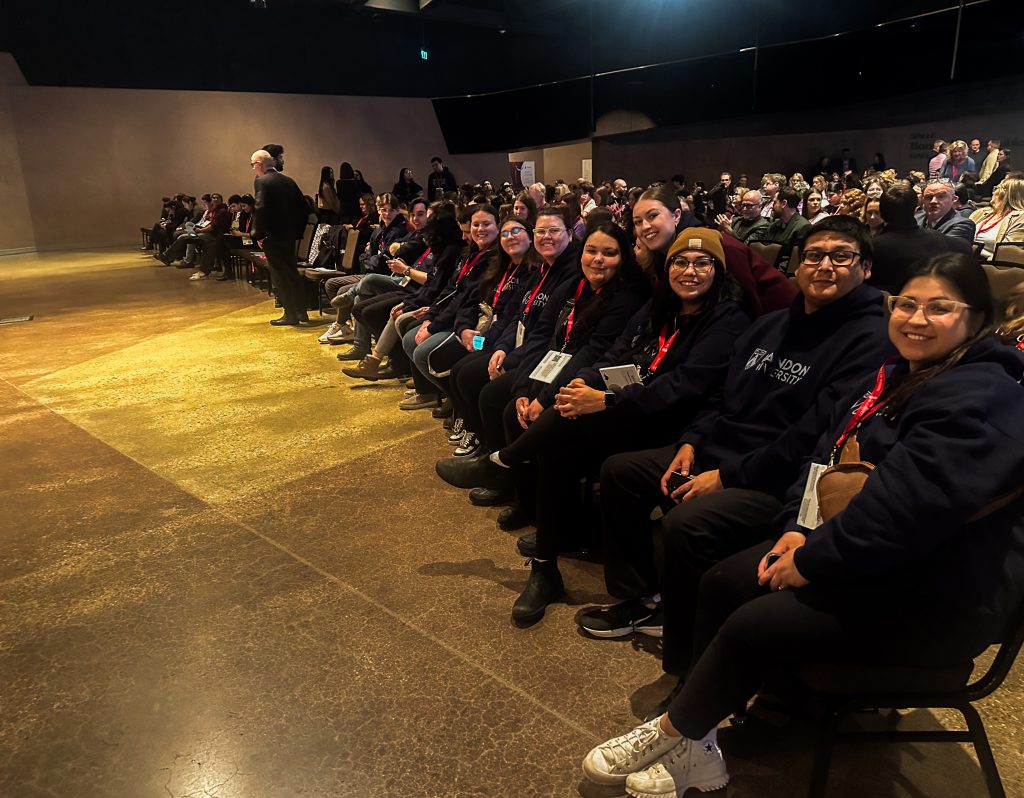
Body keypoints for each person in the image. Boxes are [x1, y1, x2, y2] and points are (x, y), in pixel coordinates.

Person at [582, 253, 1024, 797]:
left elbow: (908, 509)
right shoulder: (900, 374)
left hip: (940, 593)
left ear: (977, 320)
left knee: (754, 621)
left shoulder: (981, 393)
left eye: (939, 309)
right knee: (725, 579)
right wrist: (799, 525)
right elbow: (829, 454)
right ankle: (700, 737)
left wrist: (812, 559)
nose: (915, 319)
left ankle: (674, 732)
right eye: (906, 304)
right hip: (882, 556)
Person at [578, 215, 893, 644]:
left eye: (841, 257)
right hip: (720, 450)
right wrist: (691, 442)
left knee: (687, 522)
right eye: (814, 256)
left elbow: (812, 434)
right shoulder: (772, 324)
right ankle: (643, 599)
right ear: (797, 266)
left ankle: (684, 635)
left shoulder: (870, 339)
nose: (824, 267)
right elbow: (720, 396)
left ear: (866, 268)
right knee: (621, 472)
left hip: (774, 476)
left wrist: (727, 476)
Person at [486, 228, 751, 626]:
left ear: (718, 270)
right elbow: (615, 354)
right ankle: (544, 569)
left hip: (673, 425)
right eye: (680, 262)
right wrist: (585, 384)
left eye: (702, 263)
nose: (690, 271)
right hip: (628, 411)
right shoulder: (658, 307)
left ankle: (510, 457)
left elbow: (682, 387)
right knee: (560, 436)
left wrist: (606, 400)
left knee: (565, 430)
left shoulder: (728, 319)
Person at [869, 185, 972, 294]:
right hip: (929, 301)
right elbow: (967, 250)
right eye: (929, 197)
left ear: (881, 212)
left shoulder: (870, 247)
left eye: (941, 196)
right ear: (915, 208)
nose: (933, 202)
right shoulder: (937, 239)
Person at [250, 149, 311, 326]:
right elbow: (304, 208)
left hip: (272, 236)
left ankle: (290, 314)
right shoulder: (289, 181)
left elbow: (260, 208)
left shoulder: (261, 181)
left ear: (260, 165)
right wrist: (296, 231)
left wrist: (258, 234)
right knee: (291, 272)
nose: (253, 169)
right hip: (289, 236)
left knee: (279, 275)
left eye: (253, 165)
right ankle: (302, 312)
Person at [970, 177, 1024, 261]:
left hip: (989, 266)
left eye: (996, 188)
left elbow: (1006, 252)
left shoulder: (1020, 217)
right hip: (966, 259)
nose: (993, 192)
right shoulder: (981, 213)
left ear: (1004, 194)